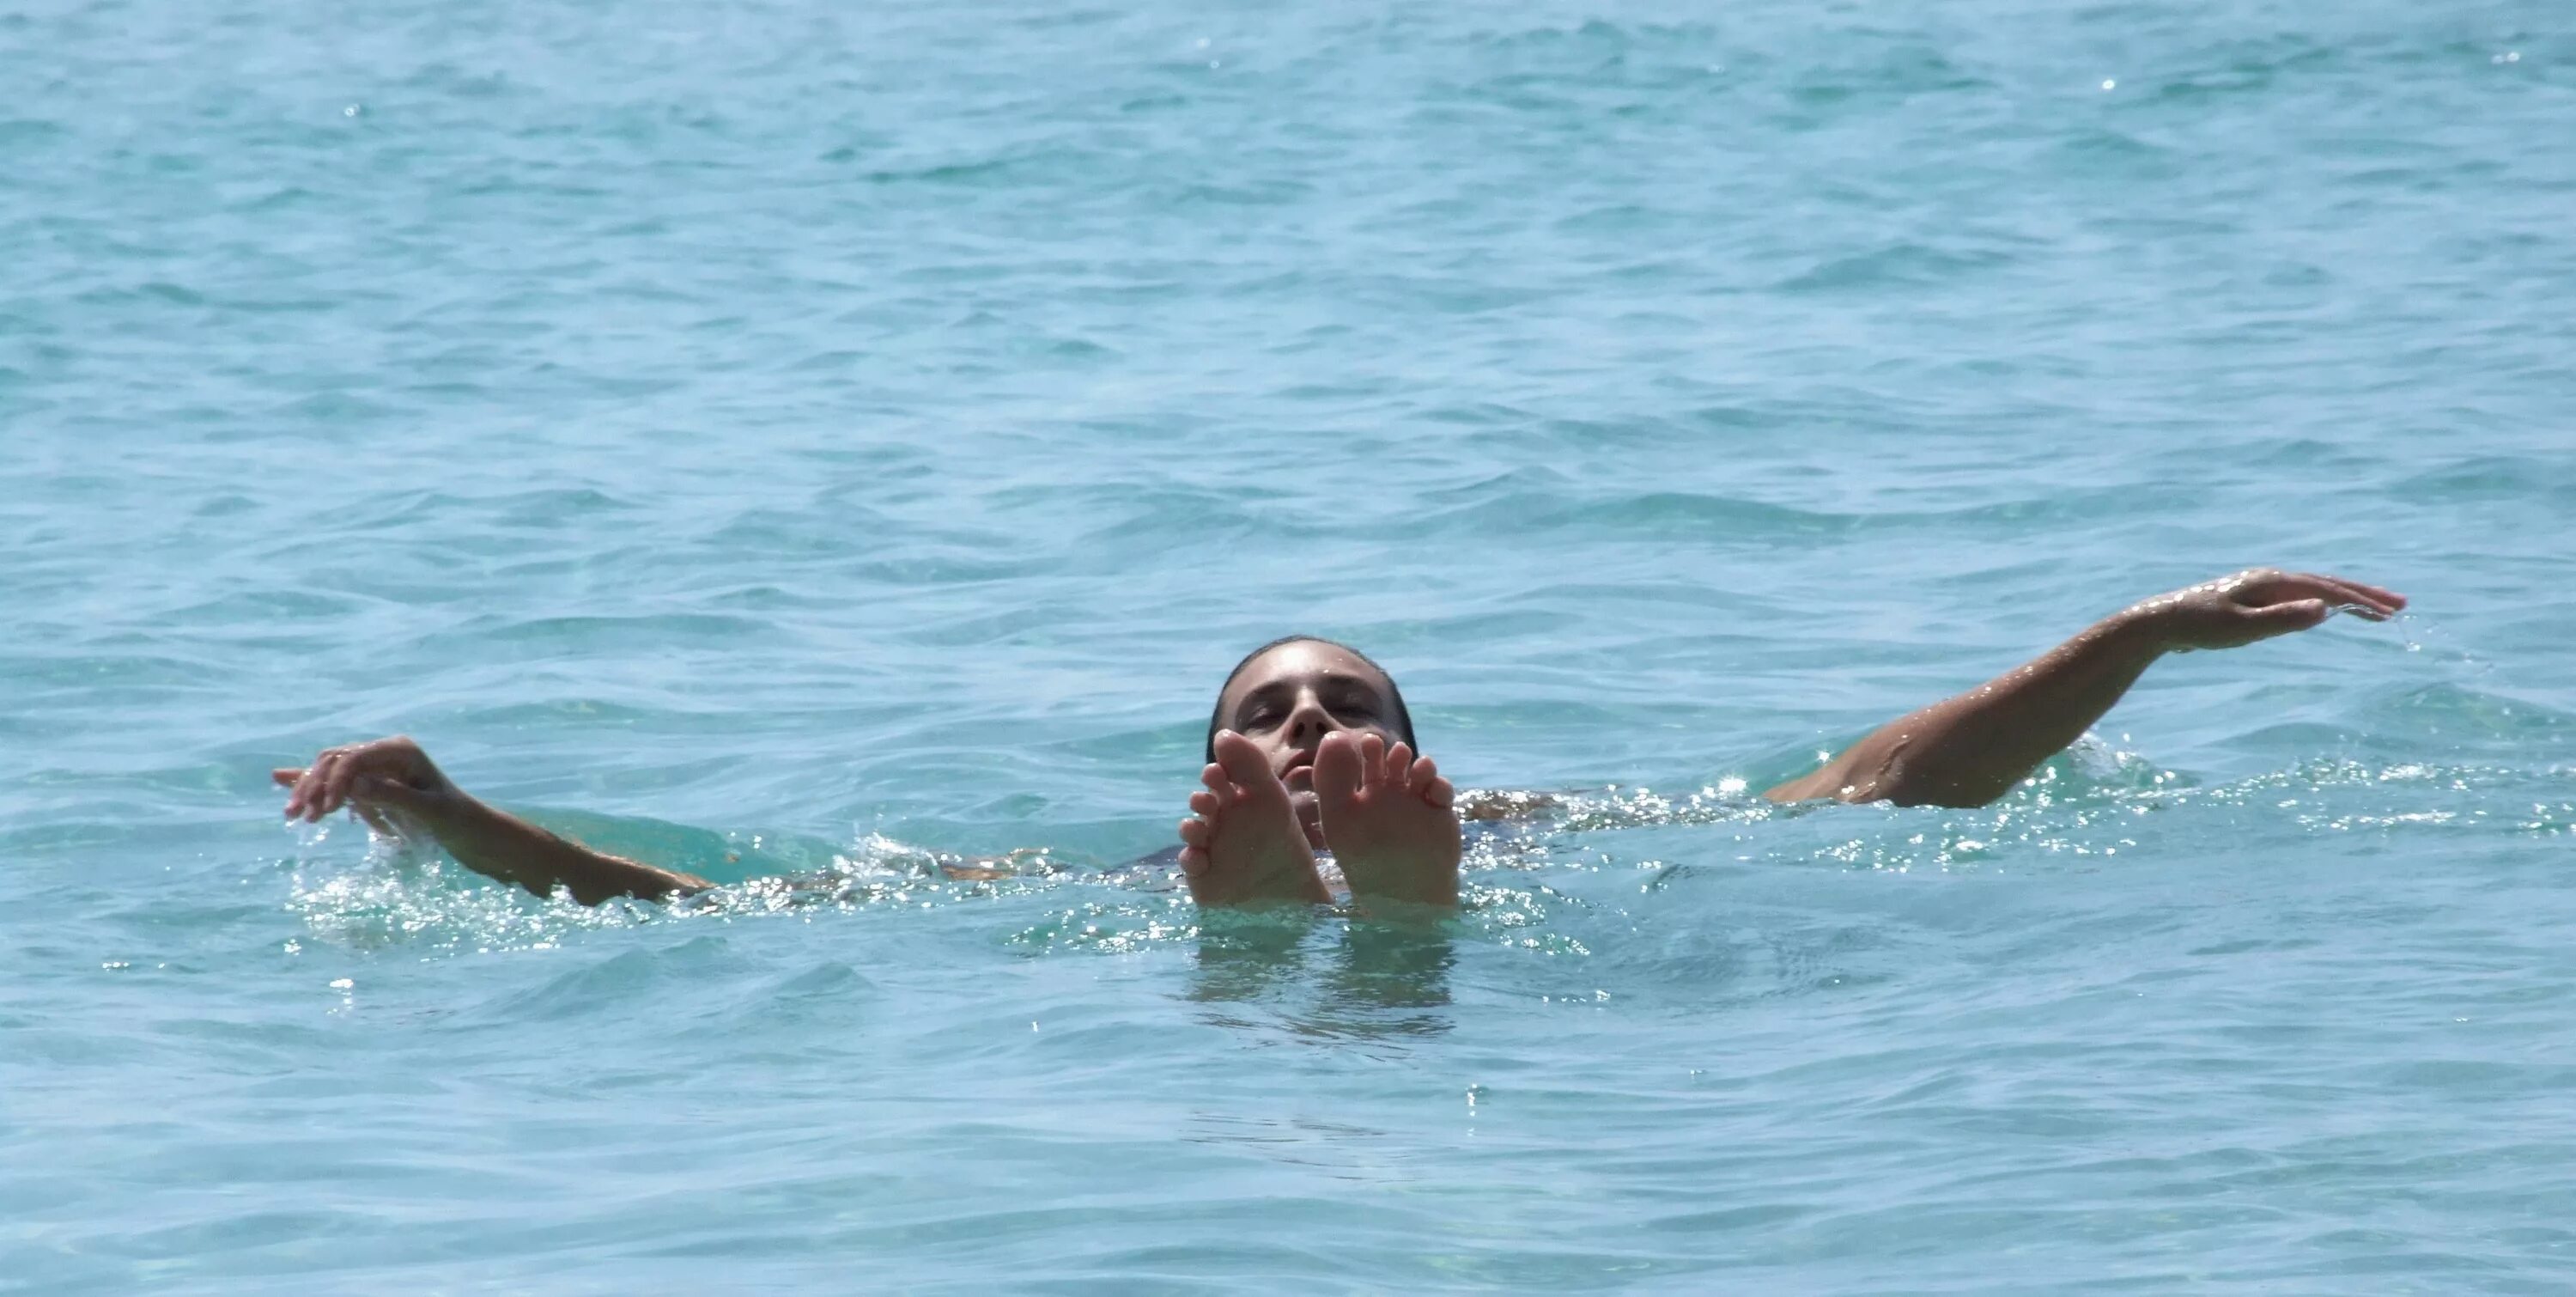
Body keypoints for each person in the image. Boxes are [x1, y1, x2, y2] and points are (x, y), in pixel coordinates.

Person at [276, 568, 2406, 910]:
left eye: (1344, 705)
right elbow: (711, 906)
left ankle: (1384, 932)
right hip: (1205, 907)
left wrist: (2133, 632)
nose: (1305, 715)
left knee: (1380, 943)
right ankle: (1355, 945)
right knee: (1256, 949)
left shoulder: (1555, 816)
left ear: (1418, 743)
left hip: (1477, 878)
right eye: (1266, 711)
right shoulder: (1116, 867)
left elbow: (1884, 782)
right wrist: (444, 805)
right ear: (1209, 767)